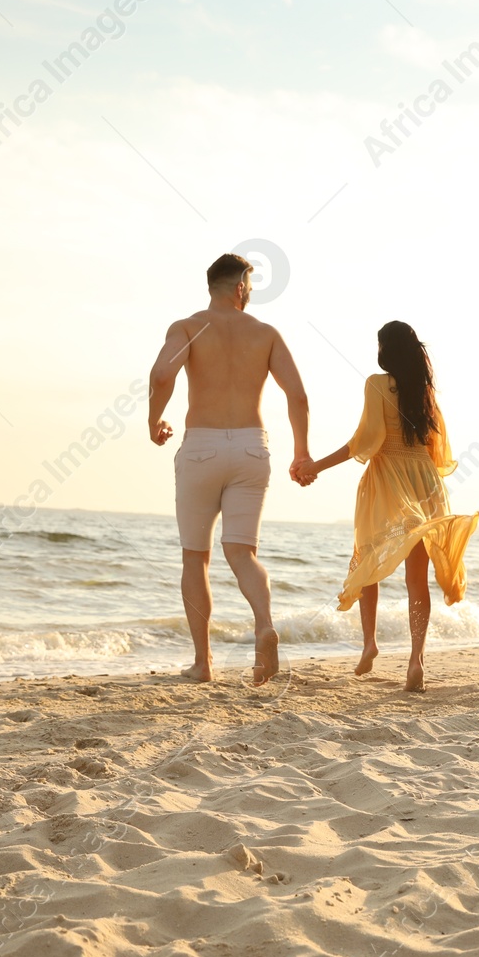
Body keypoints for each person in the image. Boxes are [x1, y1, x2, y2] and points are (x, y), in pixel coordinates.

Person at [147, 253, 311, 685]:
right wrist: (301, 452)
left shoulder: (187, 326)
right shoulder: (267, 334)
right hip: (251, 449)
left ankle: (203, 663)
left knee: (195, 557)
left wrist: (154, 422)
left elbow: (163, 374)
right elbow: (298, 396)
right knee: (242, 553)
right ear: (240, 285)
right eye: (251, 285)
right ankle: (263, 625)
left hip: (201, 446)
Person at [298, 322, 478, 692]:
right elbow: (439, 453)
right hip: (426, 483)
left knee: (369, 560)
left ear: (385, 350)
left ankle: (369, 644)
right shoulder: (425, 392)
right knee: (417, 580)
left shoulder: (378, 384)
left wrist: (314, 466)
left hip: (386, 482)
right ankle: (417, 659)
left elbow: (362, 442)